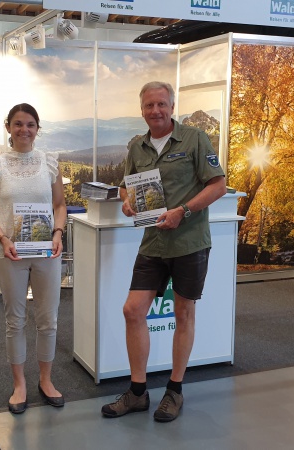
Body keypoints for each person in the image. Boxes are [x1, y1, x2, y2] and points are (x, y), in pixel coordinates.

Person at [101, 82, 227, 423]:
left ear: (172, 106)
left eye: (161, 104)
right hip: (153, 243)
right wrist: (127, 204)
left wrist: (182, 211)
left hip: (189, 243)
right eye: (148, 105)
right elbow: (128, 187)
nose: (155, 110)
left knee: (183, 314)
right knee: (133, 310)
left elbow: (218, 185)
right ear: (141, 109)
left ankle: (175, 390)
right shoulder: (136, 146)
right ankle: (138, 393)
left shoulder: (195, 139)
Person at [0, 103, 67, 414]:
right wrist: (2, 236)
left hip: (46, 251)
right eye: (18, 124)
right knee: (15, 320)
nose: (24, 130)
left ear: (37, 129)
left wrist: (57, 232)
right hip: (10, 253)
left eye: (30, 124)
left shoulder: (50, 164)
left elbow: (60, 206)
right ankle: (19, 385)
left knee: (48, 319)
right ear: (8, 128)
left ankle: (46, 379)